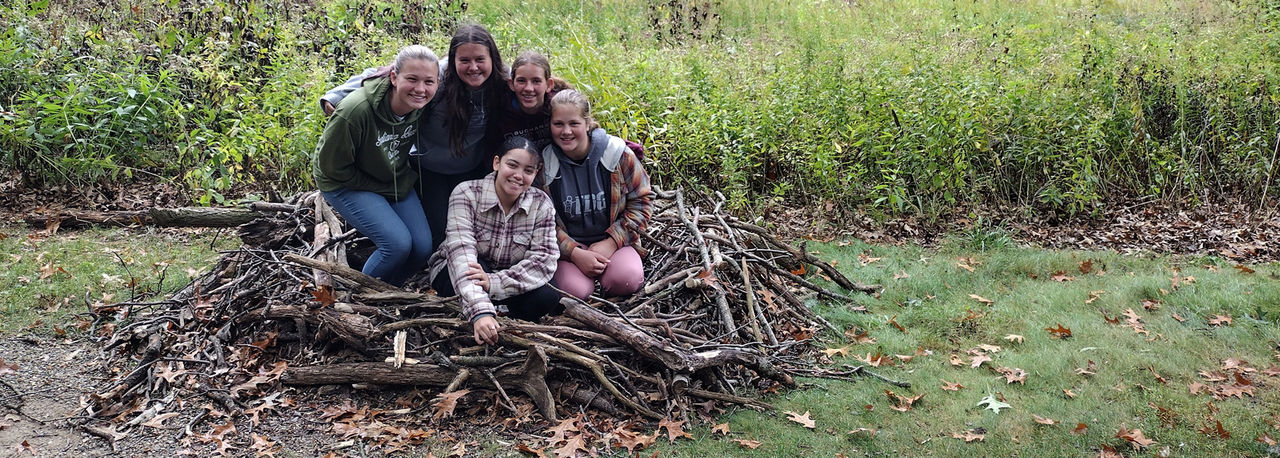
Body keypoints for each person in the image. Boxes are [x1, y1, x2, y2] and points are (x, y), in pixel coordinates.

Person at [320, 24, 510, 250]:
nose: (473, 67)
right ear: (452, 60)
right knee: (438, 237)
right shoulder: (436, 77)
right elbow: (385, 74)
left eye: (480, 59)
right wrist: (334, 98)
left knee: (476, 230)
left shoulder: (503, 80)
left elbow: (534, 83)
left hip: (473, 167)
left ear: (492, 58)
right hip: (429, 168)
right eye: (464, 60)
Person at [312, 45, 440, 287]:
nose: (420, 89)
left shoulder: (422, 105)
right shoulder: (355, 112)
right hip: (343, 181)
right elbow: (330, 168)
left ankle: (390, 290)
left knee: (422, 247)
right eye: (411, 79)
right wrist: (378, 187)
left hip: (389, 176)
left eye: (428, 82)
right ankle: (362, 296)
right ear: (394, 77)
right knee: (396, 244)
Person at [427, 136, 560, 345]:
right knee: (470, 269)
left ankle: (504, 316)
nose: (518, 176)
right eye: (512, 165)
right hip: (463, 270)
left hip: (508, 277)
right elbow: (461, 253)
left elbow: (545, 260)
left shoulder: (541, 203)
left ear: (536, 173)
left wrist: (495, 282)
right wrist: (480, 312)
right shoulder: (467, 193)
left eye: (528, 170)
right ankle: (487, 315)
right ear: (497, 162)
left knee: (548, 295)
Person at [541, 90, 653, 300]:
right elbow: (540, 221)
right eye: (558, 124)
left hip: (615, 242)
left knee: (626, 279)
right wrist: (574, 252)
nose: (566, 131)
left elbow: (642, 202)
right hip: (569, 249)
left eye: (574, 123)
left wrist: (611, 242)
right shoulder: (545, 165)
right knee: (573, 291)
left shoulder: (618, 154)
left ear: (587, 123)